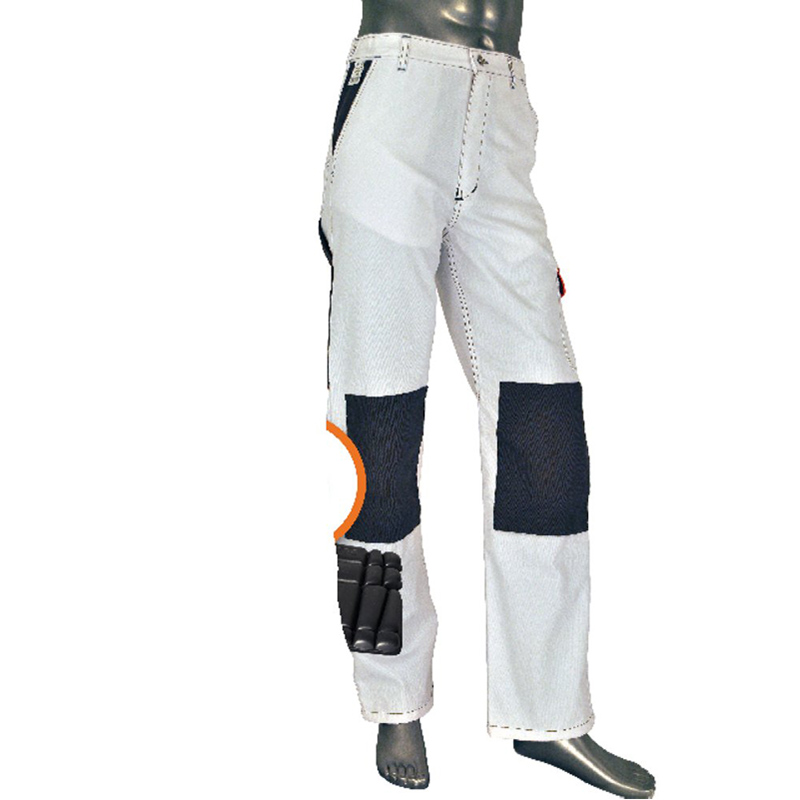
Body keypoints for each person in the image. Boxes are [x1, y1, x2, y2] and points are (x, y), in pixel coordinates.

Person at [319, 3, 656, 796]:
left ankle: (548, 712)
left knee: (546, 424)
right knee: (376, 436)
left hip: (500, 111)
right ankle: (392, 694)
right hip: (396, 101)